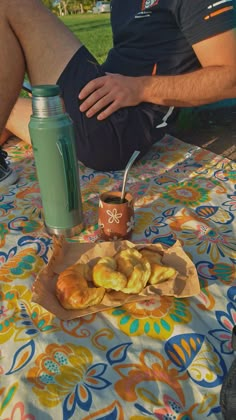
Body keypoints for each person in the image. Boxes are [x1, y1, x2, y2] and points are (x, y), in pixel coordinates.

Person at [0, 0, 235, 187]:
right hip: (101, 107)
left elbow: (230, 77)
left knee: (12, 3)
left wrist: (138, 88)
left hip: (120, 131)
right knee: (6, 108)